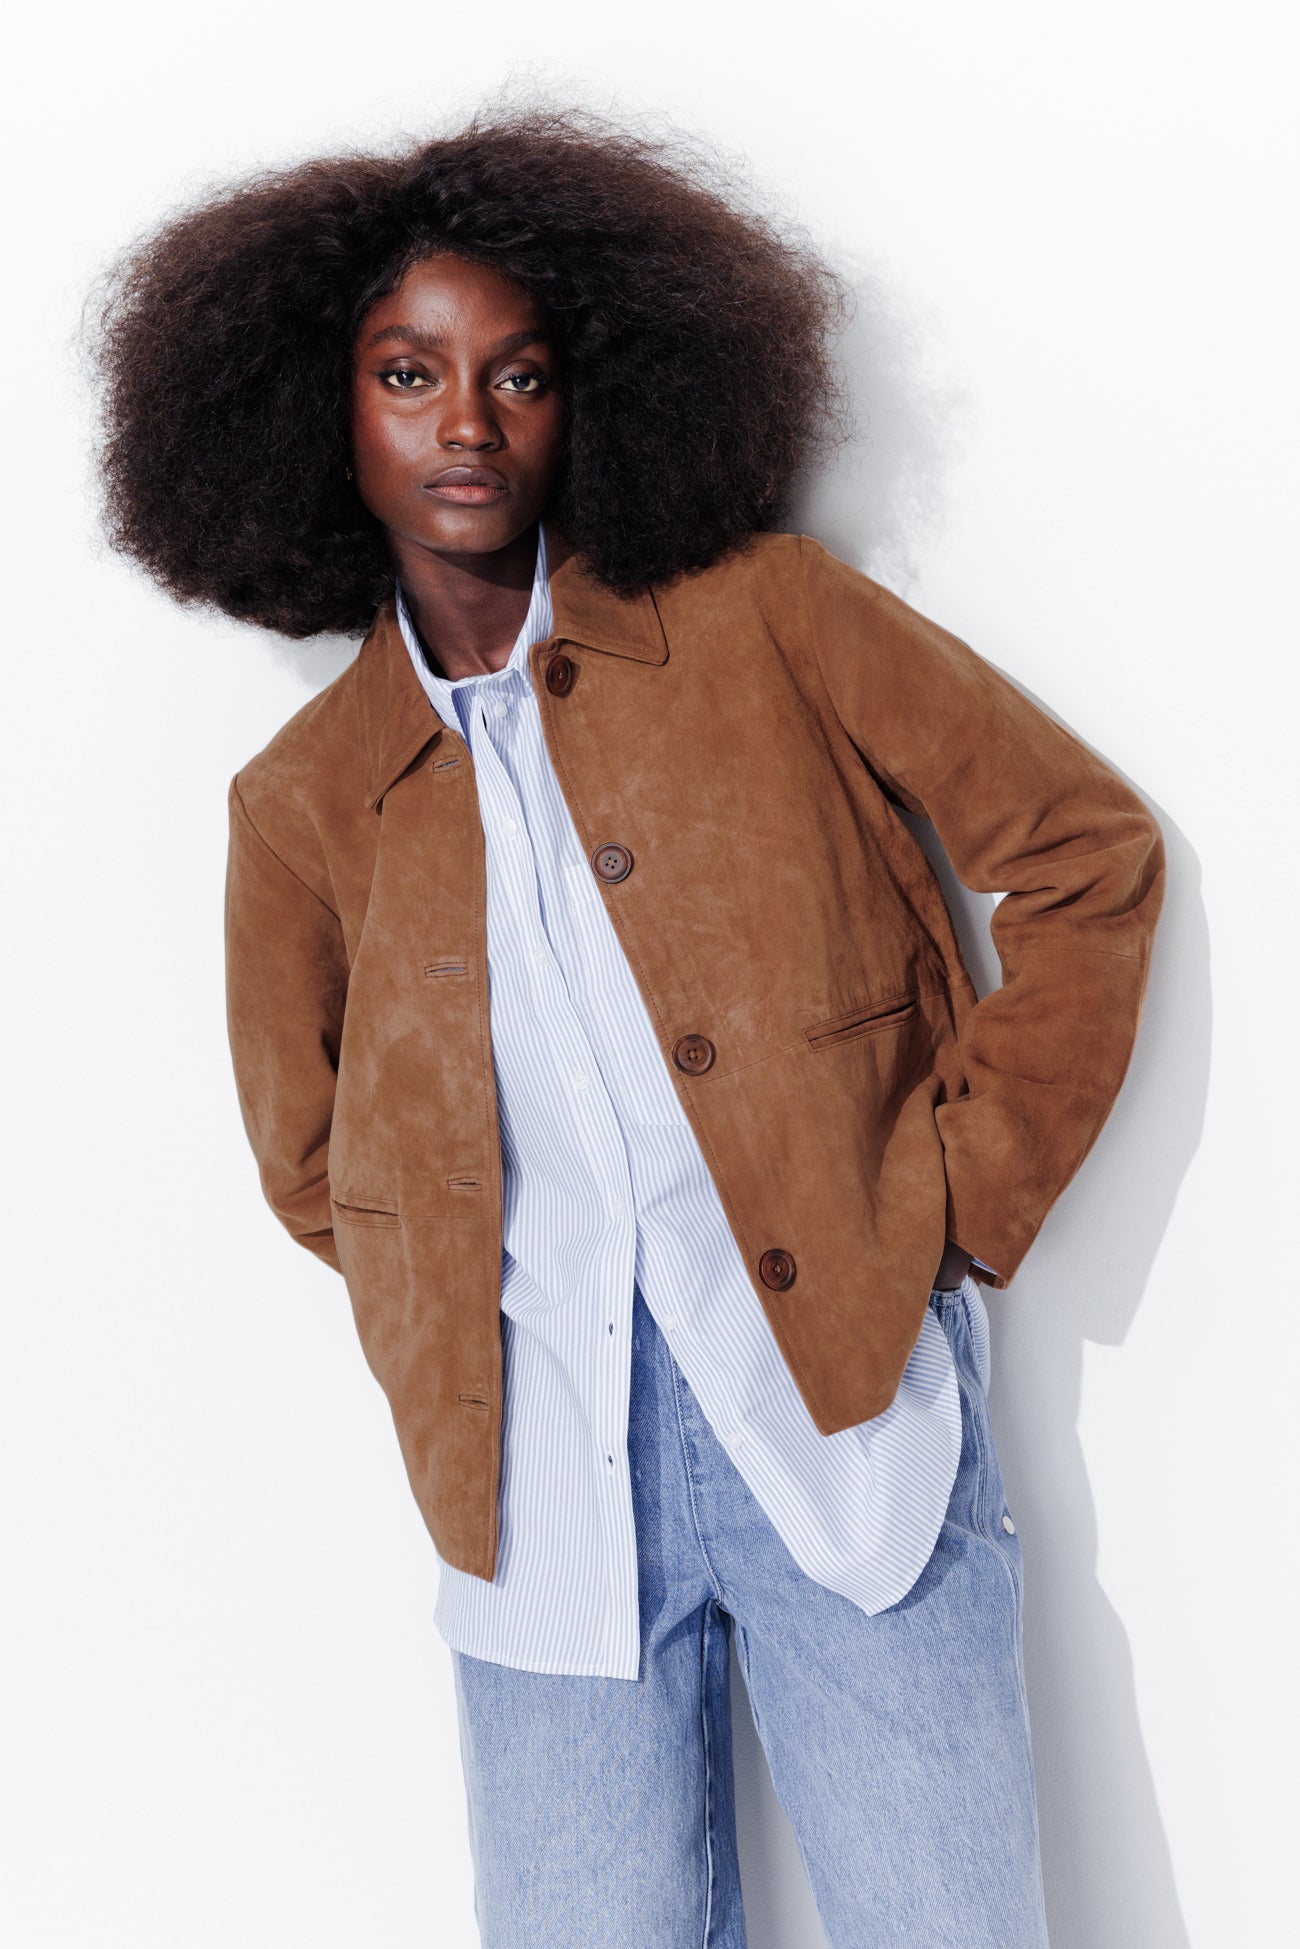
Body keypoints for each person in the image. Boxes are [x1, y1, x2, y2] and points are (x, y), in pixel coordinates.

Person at [89, 103, 1164, 1948]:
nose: (467, 422)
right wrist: (454, 1313)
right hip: (536, 1487)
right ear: (318, 411)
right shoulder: (305, 801)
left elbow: (1083, 853)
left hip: (841, 1412)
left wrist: (955, 1211)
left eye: (517, 374)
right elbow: (311, 1160)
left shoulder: (770, 621)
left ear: (589, 392)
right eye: (408, 374)